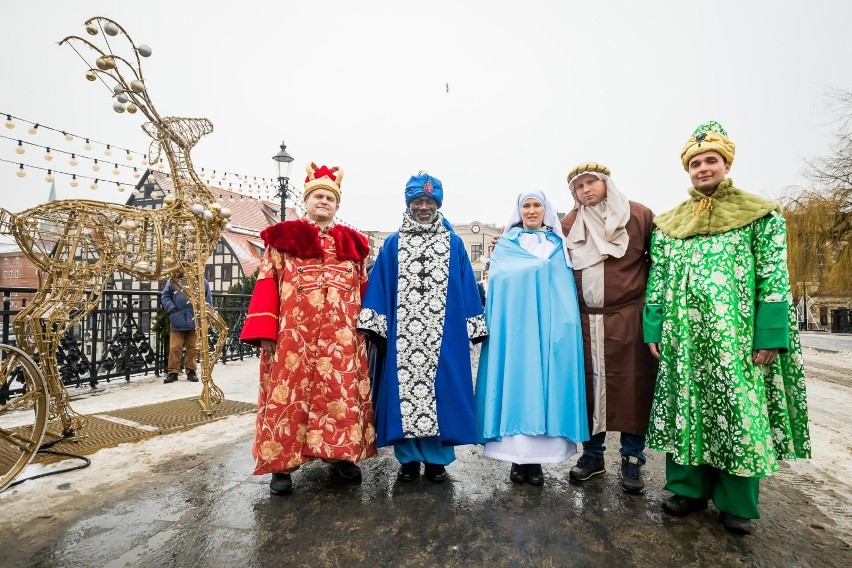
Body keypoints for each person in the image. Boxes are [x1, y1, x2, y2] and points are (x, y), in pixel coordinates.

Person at [643, 121, 811, 534]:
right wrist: (654, 328)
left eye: (710, 160)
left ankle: (737, 501)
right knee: (687, 408)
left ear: (726, 163)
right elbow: (658, 279)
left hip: (734, 340)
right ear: (687, 170)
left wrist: (769, 334)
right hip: (682, 338)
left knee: (737, 413)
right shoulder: (669, 224)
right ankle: (687, 489)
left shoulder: (760, 214)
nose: (703, 168)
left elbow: (773, 277)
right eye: (695, 163)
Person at [240, 162, 376, 496]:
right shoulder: (284, 240)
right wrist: (265, 331)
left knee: (339, 395)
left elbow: (365, 287)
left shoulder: (353, 245)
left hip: (341, 340)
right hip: (293, 337)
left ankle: (340, 455)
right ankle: (281, 465)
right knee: (288, 397)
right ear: (306, 201)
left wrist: (370, 330)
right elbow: (267, 281)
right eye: (317, 196)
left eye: (329, 198)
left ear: (337, 205)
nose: (323, 202)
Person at [357, 172, 487, 483]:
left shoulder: (453, 243)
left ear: (438, 204)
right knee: (401, 398)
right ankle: (409, 459)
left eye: (429, 201)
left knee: (443, 395)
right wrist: (377, 327)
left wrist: (474, 324)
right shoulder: (393, 243)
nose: (424, 206)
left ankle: (436, 460)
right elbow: (380, 285)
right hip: (402, 339)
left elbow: (467, 285)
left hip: (445, 336)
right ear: (409, 204)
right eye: (418, 201)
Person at [475, 191, 588, 486]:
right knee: (518, 382)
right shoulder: (506, 246)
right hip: (515, 328)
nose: (532, 210)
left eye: (537, 205)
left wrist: (563, 326)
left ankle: (536, 462)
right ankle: (517, 460)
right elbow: (500, 286)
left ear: (546, 210)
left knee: (546, 385)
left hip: (549, 325)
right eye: (526, 205)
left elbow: (564, 290)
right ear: (519, 211)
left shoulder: (557, 246)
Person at [561, 163, 658, 494]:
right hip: (586, 321)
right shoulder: (569, 224)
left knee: (633, 387)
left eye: (591, 183)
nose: (585, 190)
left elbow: (659, 266)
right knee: (591, 390)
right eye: (578, 187)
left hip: (630, 317)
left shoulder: (640, 216)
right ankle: (593, 456)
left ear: (606, 183)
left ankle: (632, 459)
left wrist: (654, 319)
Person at [160, 274, 212, 384]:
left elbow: (208, 301)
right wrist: (172, 308)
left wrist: (206, 316)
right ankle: (173, 372)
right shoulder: (173, 281)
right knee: (175, 347)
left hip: (195, 319)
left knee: (193, 347)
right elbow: (165, 297)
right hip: (177, 319)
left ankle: (191, 371)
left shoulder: (202, 282)